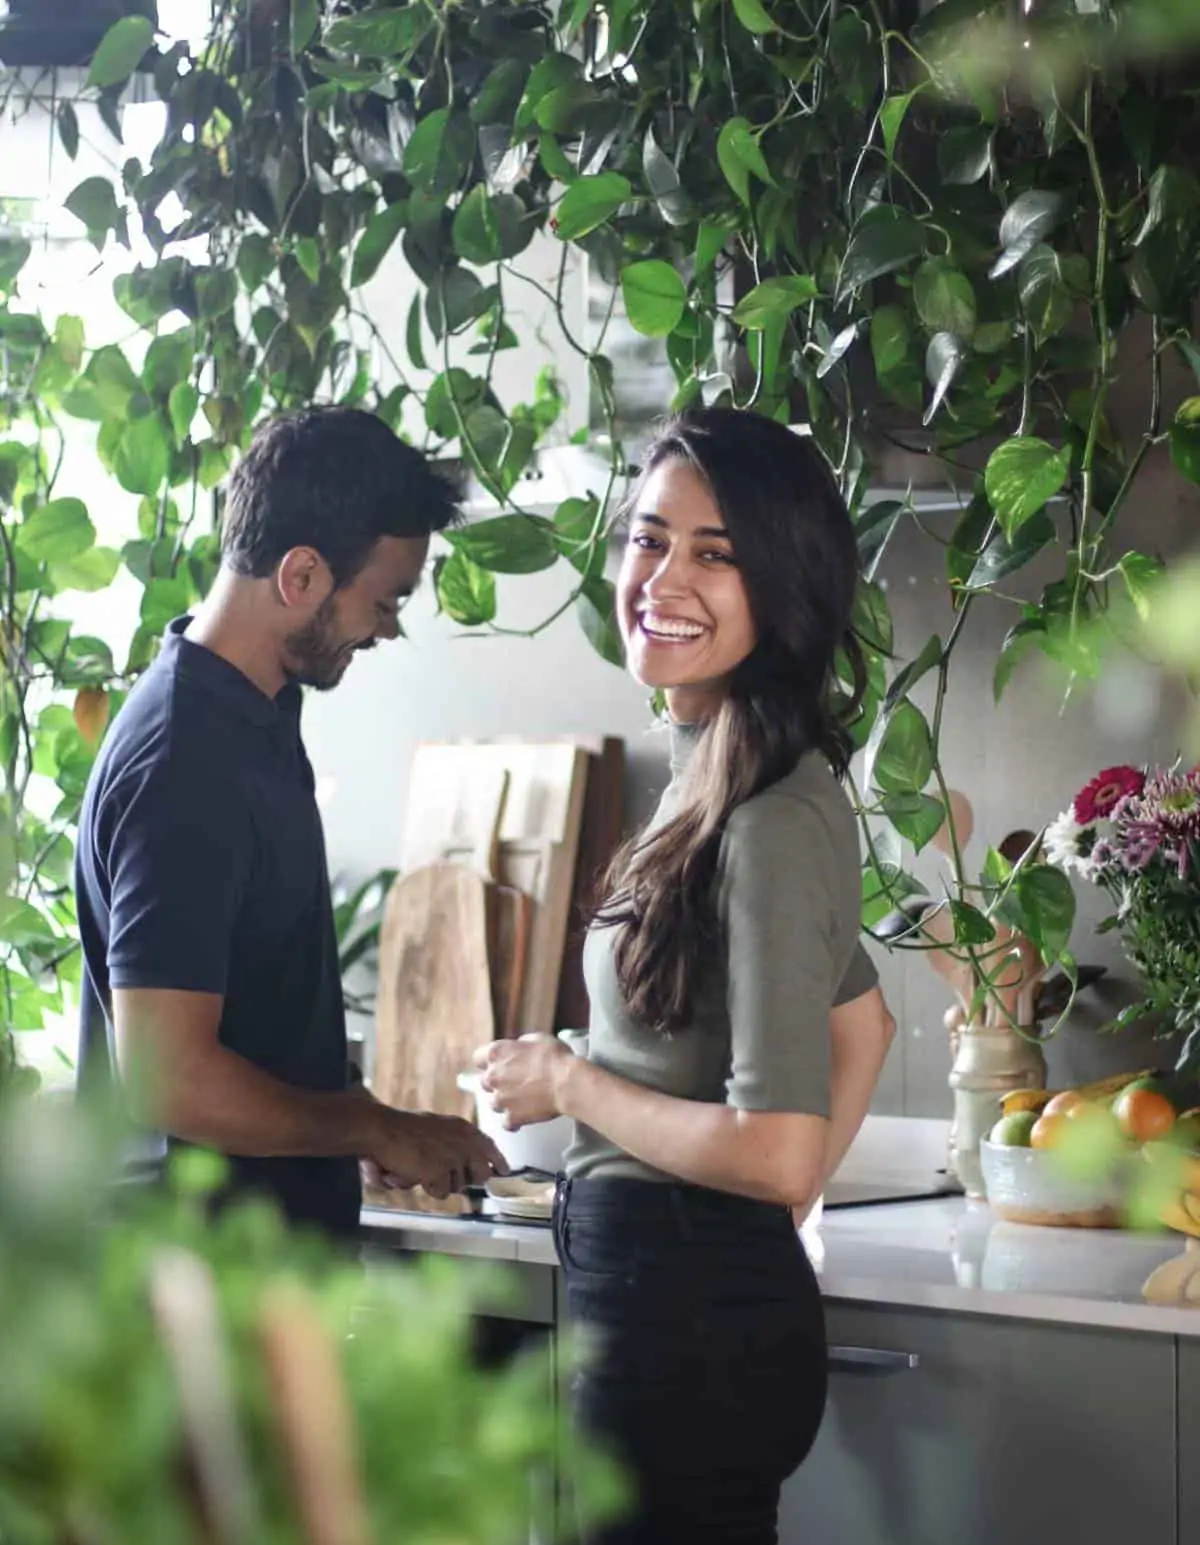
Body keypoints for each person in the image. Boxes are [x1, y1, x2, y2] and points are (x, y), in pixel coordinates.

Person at [474, 407, 896, 1543]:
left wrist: (570, 1084)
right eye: (650, 538)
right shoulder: (719, 771)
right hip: (680, 1304)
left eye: (718, 553)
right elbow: (864, 1024)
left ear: (785, 588)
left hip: (688, 1330)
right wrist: (771, 1211)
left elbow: (778, 1148)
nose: (664, 577)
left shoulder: (769, 817)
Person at [75, 406, 505, 1244]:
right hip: (199, 1292)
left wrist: (356, 1126)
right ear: (301, 576)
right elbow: (171, 1082)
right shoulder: (186, 764)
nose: (387, 627)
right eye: (384, 601)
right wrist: (369, 1126)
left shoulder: (255, 715)